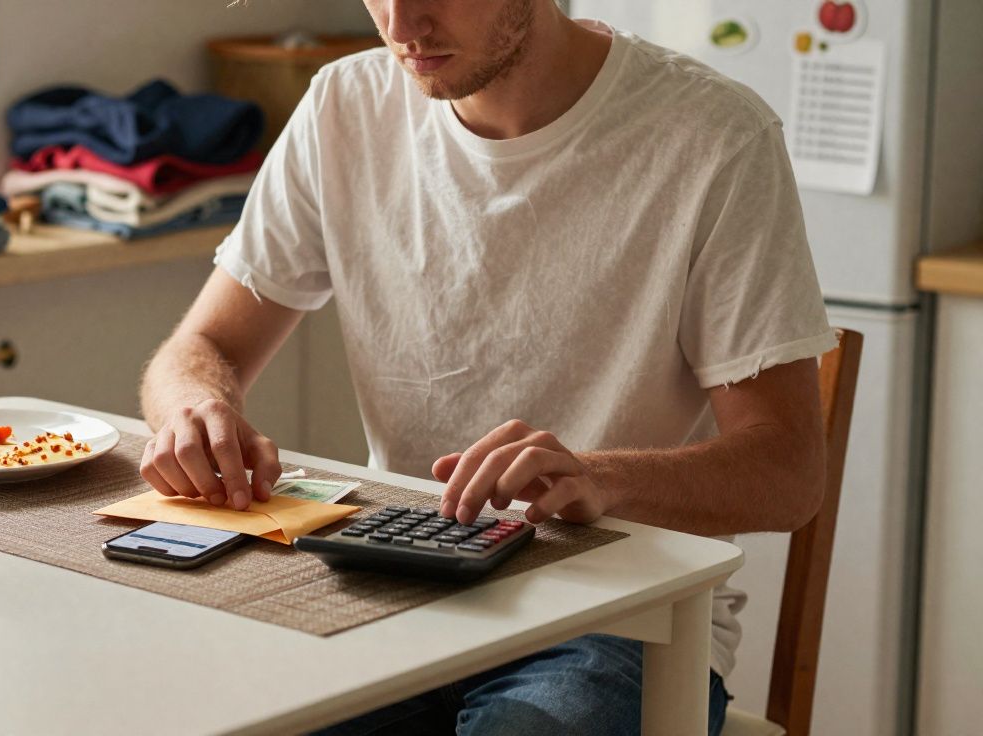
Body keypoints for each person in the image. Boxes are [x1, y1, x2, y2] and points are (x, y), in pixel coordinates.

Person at [138, 0, 836, 733]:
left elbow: (789, 474)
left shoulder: (713, 134)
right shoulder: (345, 105)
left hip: (617, 618)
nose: (401, 26)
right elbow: (201, 348)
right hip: (391, 587)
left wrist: (601, 478)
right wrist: (195, 407)